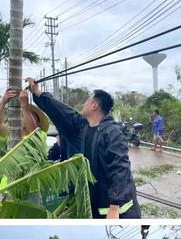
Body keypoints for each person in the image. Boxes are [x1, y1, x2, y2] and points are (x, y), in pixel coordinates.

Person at [25, 78, 140, 219]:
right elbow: (61, 111)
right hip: (95, 207)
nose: (83, 104)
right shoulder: (82, 127)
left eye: (86, 101)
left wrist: (115, 206)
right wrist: (38, 93)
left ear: (94, 105)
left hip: (120, 212)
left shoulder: (113, 133)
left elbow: (120, 168)